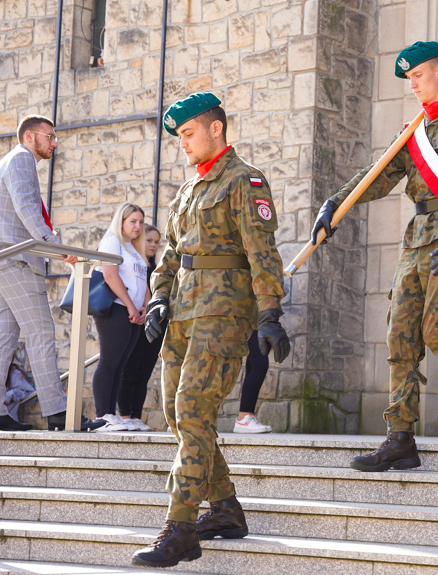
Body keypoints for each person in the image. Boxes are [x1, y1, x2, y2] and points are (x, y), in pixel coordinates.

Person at [311, 41, 438, 473]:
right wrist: (335, 205)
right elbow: (378, 177)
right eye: (408, 79)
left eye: (417, 76)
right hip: (415, 241)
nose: (412, 85)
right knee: (400, 338)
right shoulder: (416, 128)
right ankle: (400, 438)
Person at [131, 93, 290, 568]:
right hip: (182, 312)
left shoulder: (245, 181)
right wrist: (158, 296)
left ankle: (180, 528)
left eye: (188, 134)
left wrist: (270, 313)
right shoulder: (188, 190)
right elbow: (171, 256)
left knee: (193, 412)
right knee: (181, 420)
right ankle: (224, 509)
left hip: (222, 312)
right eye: (179, 137)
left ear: (216, 129)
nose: (182, 144)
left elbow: (262, 252)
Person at [0, 115, 102, 432]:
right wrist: (55, 245)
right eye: (50, 136)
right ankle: (58, 412)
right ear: (31, 136)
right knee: (42, 334)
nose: (54, 142)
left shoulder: (8, 162)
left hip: (0, 261)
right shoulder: (21, 160)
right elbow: (27, 207)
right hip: (15, 261)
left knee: (3, 338)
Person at [90, 203, 149, 432]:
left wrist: (144, 305)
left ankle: (112, 415)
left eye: (141, 222)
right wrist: (129, 305)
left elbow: (142, 280)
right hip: (115, 308)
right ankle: (102, 415)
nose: (138, 226)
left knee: (121, 363)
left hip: (132, 311)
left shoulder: (134, 247)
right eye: (133, 221)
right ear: (121, 221)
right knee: (109, 361)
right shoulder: (112, 242)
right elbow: (110, 275)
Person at [117, 224, 163, 432]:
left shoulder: (159, 268)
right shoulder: (133, 265)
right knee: (130, 370)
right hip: (135, 322)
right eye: (149, 240)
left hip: (155, 326)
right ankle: (125, 414)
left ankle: (136, 416)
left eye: (156, 242)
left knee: (143, 373)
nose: (153, 245)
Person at [232, 330, 272, 433]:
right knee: (259, 364)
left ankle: (245, 417)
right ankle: (244, 418)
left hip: (265, 318)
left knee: (254, 361)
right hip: (255, 319)